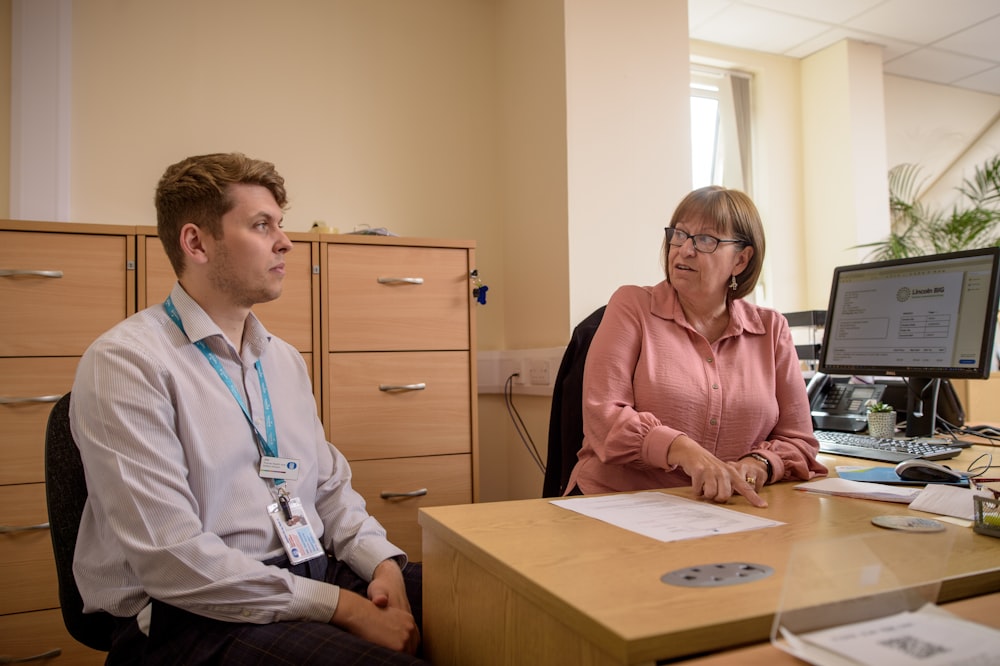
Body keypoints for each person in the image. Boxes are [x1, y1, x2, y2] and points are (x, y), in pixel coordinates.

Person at [70, 153, 425, 665]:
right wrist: (343, 607)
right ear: (196, 243)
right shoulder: (127, 363)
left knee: (487, 601)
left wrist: (384, 565)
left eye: (280, 224)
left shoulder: (281, 360)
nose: (285, 241)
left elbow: (327, 488)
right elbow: (173, 561)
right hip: (190, 611)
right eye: (262, 225)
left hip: (306, 567)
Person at [565, 185, 827, 505]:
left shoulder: (771, 329)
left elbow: (799, 440)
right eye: (679, 234)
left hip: (727, 510)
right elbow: (604, 418)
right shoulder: (631, 305)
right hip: (620, 503)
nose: (684, 250)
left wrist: (758, 464)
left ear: (741, 260)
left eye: (706, 240)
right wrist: (684, 449)